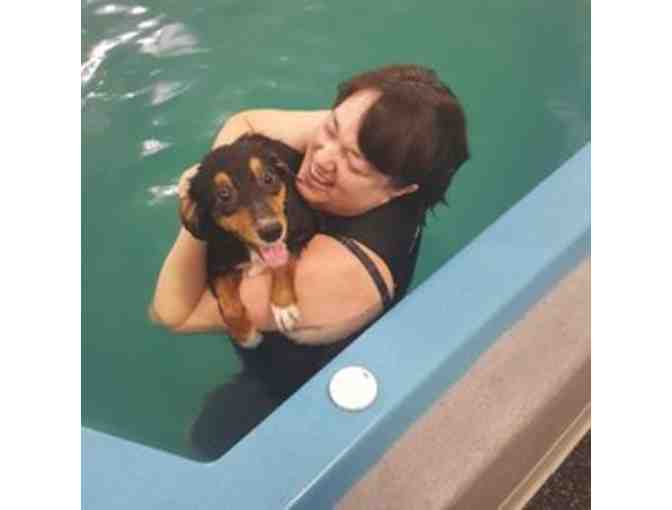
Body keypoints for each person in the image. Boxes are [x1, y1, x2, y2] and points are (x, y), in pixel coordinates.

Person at [150, 64, 470, 460]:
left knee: (208, 438)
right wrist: (220, 179)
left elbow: (173, 312)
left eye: (354, 163)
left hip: (299, 384)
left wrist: (197, 212)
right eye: (331, 127)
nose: (322, 158)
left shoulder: (335, 274)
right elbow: (246, 123)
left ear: (401, 189)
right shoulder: (374, 139)